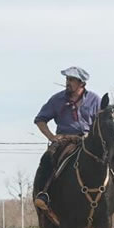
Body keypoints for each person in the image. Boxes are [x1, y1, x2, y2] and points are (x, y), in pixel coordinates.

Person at [32, 66, 102, 212]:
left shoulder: (95, 100)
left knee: (112, 160)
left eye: (71, 80)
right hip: (64, 141)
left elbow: (102, 122)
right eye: (67, 79)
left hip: (88, 141)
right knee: (47, 158)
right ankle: (43, 194)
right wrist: (51, 137)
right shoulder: (57, 99)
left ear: (81, 83)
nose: (67, 82)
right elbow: (40, 119)